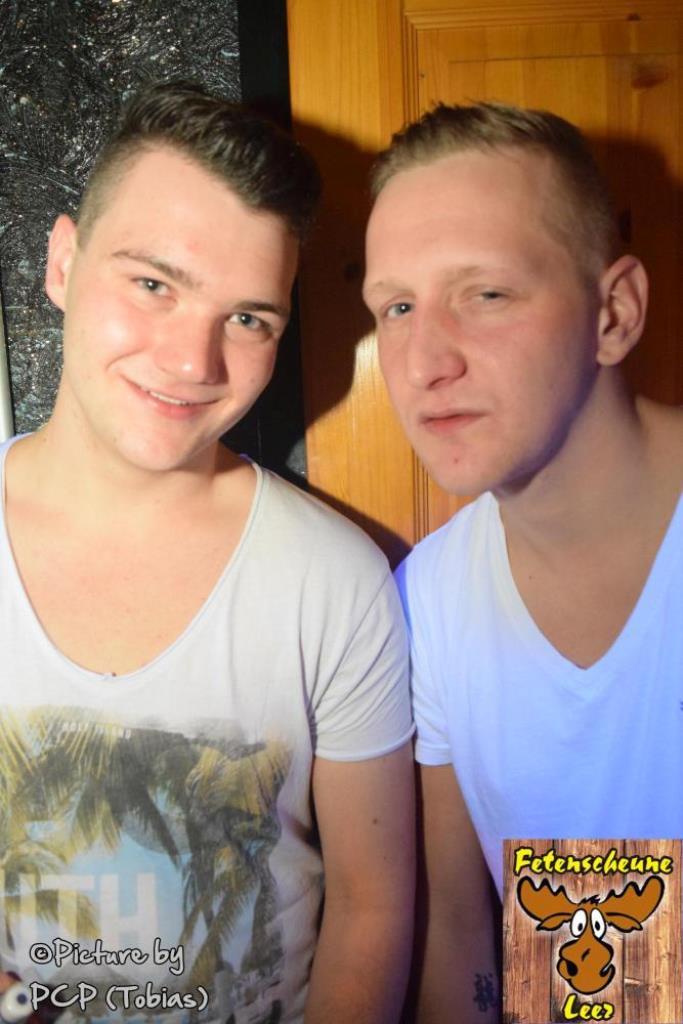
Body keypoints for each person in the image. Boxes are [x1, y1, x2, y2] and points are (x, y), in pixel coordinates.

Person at [0, 81, 415, 1024]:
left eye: (248, 318)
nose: (194, 362)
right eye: (153, 284)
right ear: (62, 262)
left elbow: (374, 906)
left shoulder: (335, 581)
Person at [363, 102, 683, 1022]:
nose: (423, 362)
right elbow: (469, 935)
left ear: (612, 314)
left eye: (486, 294)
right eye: (397, 307)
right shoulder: (430, 597)